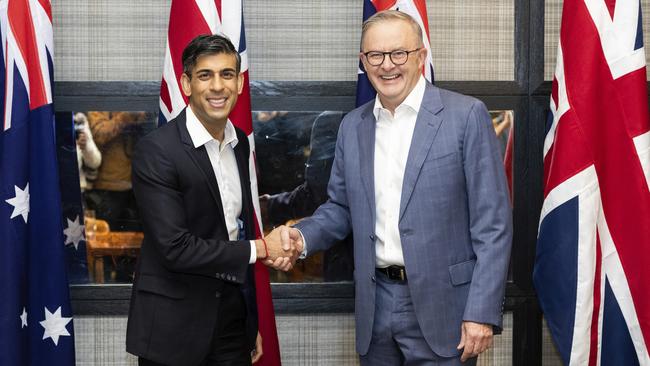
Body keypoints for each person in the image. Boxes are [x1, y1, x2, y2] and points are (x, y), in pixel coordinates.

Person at [270, 10, 512, 365]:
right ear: (363, 62)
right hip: (376, 303)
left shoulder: (466, 116)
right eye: (375, 56)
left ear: (420, 56)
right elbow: (340, 209)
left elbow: (493, 225)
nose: (387, 65)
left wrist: (481, 311)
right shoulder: (353, 126)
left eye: (399, 53)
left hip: (446, 309)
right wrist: (300, 238)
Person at [126, 34, 294, 366]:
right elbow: (175, 247)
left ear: (240, 82)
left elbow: (235, 230)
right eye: (205, 75)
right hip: (173, 328)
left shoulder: (241, 143)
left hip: (231, 324)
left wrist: (249, 323)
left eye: (227, 74)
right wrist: (263, 248)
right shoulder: (157, 150)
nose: (218, 86)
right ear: (186, 83)